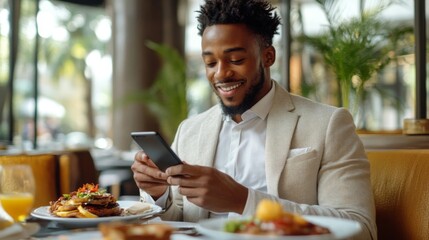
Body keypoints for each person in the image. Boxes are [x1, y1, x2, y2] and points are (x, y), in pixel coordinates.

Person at [131, 0, 377, 239]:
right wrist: (159, 195)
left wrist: (243, 201)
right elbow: (179, 221)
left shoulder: (328, 124)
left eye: (236, 60)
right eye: (210, 62)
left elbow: (360, 228)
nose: (221, 73)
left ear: (268, 56)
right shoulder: (190, 130)